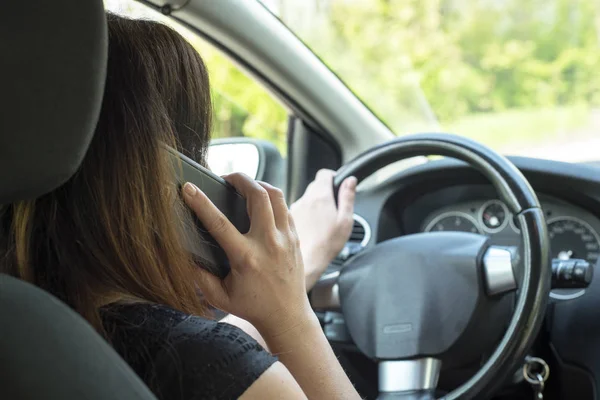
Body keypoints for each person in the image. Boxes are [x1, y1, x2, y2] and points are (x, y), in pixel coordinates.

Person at [0, 13, 360, 400]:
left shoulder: (27, 325)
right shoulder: (208, 370)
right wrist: (292, 317)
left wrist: (294, 275)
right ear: (163, 178)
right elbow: (205, 360)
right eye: (197, 153)